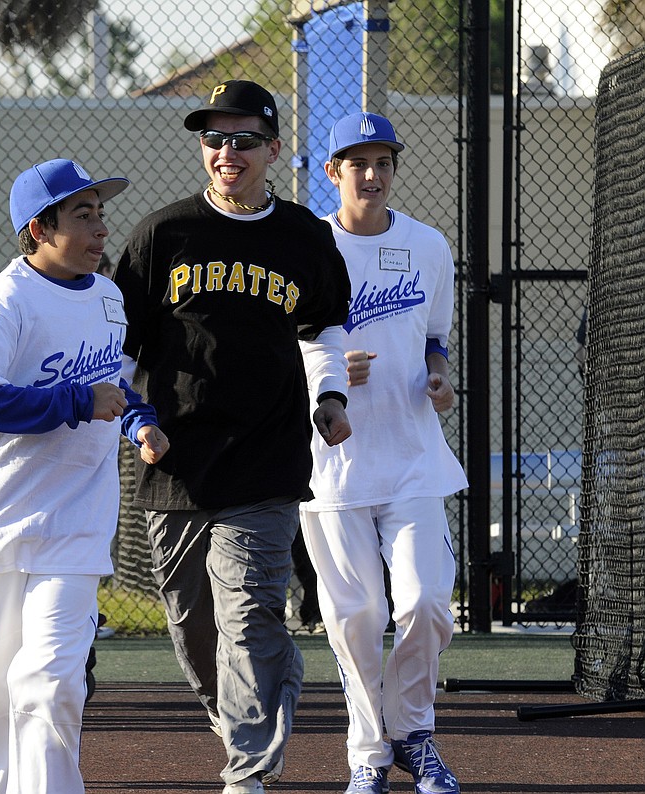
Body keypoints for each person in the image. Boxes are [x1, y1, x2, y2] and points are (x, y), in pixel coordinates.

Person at [114, 79, 353, 794]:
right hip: (177, 461)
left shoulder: (305, 236)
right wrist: (132, 417)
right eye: (214, 139)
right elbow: (121, 347)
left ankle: (248, 772)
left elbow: (324, 327)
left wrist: (331, 397)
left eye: (244, 139)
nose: (227, 152)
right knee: (193, 627)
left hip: (268, 457)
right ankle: (249, 704)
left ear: (273, 149)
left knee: (249, 615)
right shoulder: (162, 234)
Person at [0, 157, 169, 794]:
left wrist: (138, 421)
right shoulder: (1, 303)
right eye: (82, 215)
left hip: (76, 522)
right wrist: (76, 404)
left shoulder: (110, 296)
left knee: (54, 681)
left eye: (100, 213)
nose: (99, 229)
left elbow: (112, 384)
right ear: (39, 228)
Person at [297, 112, 468, 794]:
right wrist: (327, 370)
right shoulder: (303, 247)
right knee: (356, 619)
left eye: (383, 163)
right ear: (332, 171)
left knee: (425, 602)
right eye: (356, 163)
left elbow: (435, 337)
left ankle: (414, 733)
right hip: (331, 467)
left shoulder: (428, 245)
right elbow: (274, 344)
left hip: (413, 457)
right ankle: (369, 755)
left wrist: (439, 373)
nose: (371, 175)